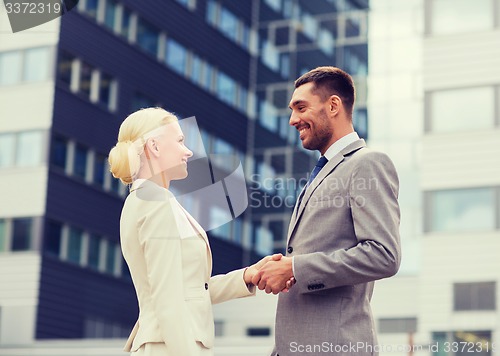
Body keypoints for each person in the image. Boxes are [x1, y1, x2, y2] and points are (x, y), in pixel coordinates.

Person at [252, 67, 402, 356]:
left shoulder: (367, 164)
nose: (293, 120)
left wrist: (295, 267)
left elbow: (384, 255)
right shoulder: (322, 172)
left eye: (301, 107)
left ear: (333, 105)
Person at [108, 107, 282, 356]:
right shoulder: (155, 202)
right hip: (171, 347)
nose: (188, 151)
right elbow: (167, 298)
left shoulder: (147, 200)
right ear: (155, 147)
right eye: (179, 141)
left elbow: (190, 290)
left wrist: (246, 276)